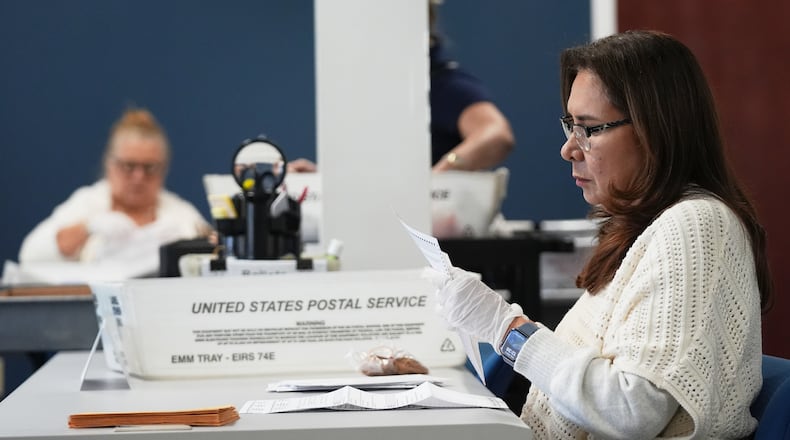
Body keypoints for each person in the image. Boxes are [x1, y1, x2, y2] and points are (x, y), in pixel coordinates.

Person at [424, 30, 772, 439]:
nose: (569, 149)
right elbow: (580, 380)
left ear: (654, 128)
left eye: (588, 128)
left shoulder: (697, 224)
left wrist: (507, 329)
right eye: (569, 126)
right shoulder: (644, 228)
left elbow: (630, 409)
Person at [287, 2, 514, 174]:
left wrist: (439, 177)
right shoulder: (370, 94)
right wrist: (324, 185)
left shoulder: (444, 85)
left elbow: (496, 136)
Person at [18, 107, 211, 274]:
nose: (138, 177)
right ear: (110, 164)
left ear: (164, 169)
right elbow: (30, 255)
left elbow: (213, 254)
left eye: (150, 168)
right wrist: (86, 228)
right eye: (128, 166)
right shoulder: (87, 203)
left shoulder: (181, 215)